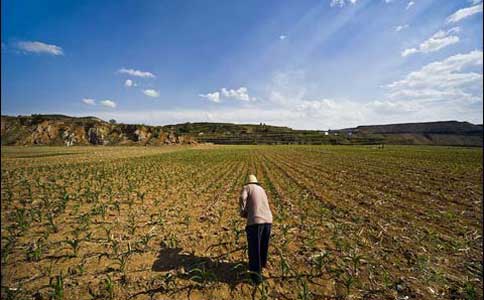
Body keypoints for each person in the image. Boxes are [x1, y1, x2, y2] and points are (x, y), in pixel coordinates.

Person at [239, 174, 273, 284]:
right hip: (268, 220)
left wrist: (242, 211)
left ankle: (256, 277)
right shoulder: (261, 189)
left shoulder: (247, 188)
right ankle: (262, 265)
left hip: (255, 222)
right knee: (263, 245)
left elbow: (242, 198)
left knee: (254, 248)